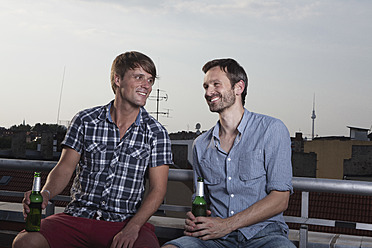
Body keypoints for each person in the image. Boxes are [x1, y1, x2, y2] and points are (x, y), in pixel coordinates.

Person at [13, 51, 173, 248]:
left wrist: (133, 227)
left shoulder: (156, 132)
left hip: (125, 221)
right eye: (139, 77)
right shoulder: (85, 120)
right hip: (77, 218)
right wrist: (45, 193)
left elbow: (158, 189)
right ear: (117, 79)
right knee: (25, 242)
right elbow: (65, 168)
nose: (146, 86)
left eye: (150, 80)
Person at [163, 58, 295, 248]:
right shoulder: (200, 145)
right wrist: (196, 220)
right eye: (206, 86)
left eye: (216, 84)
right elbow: (201, 198)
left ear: (238, 87)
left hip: (264, 236)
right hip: (215, 240)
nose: (208, 92)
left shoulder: (272, 130)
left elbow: (280, 200)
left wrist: (227, 225)